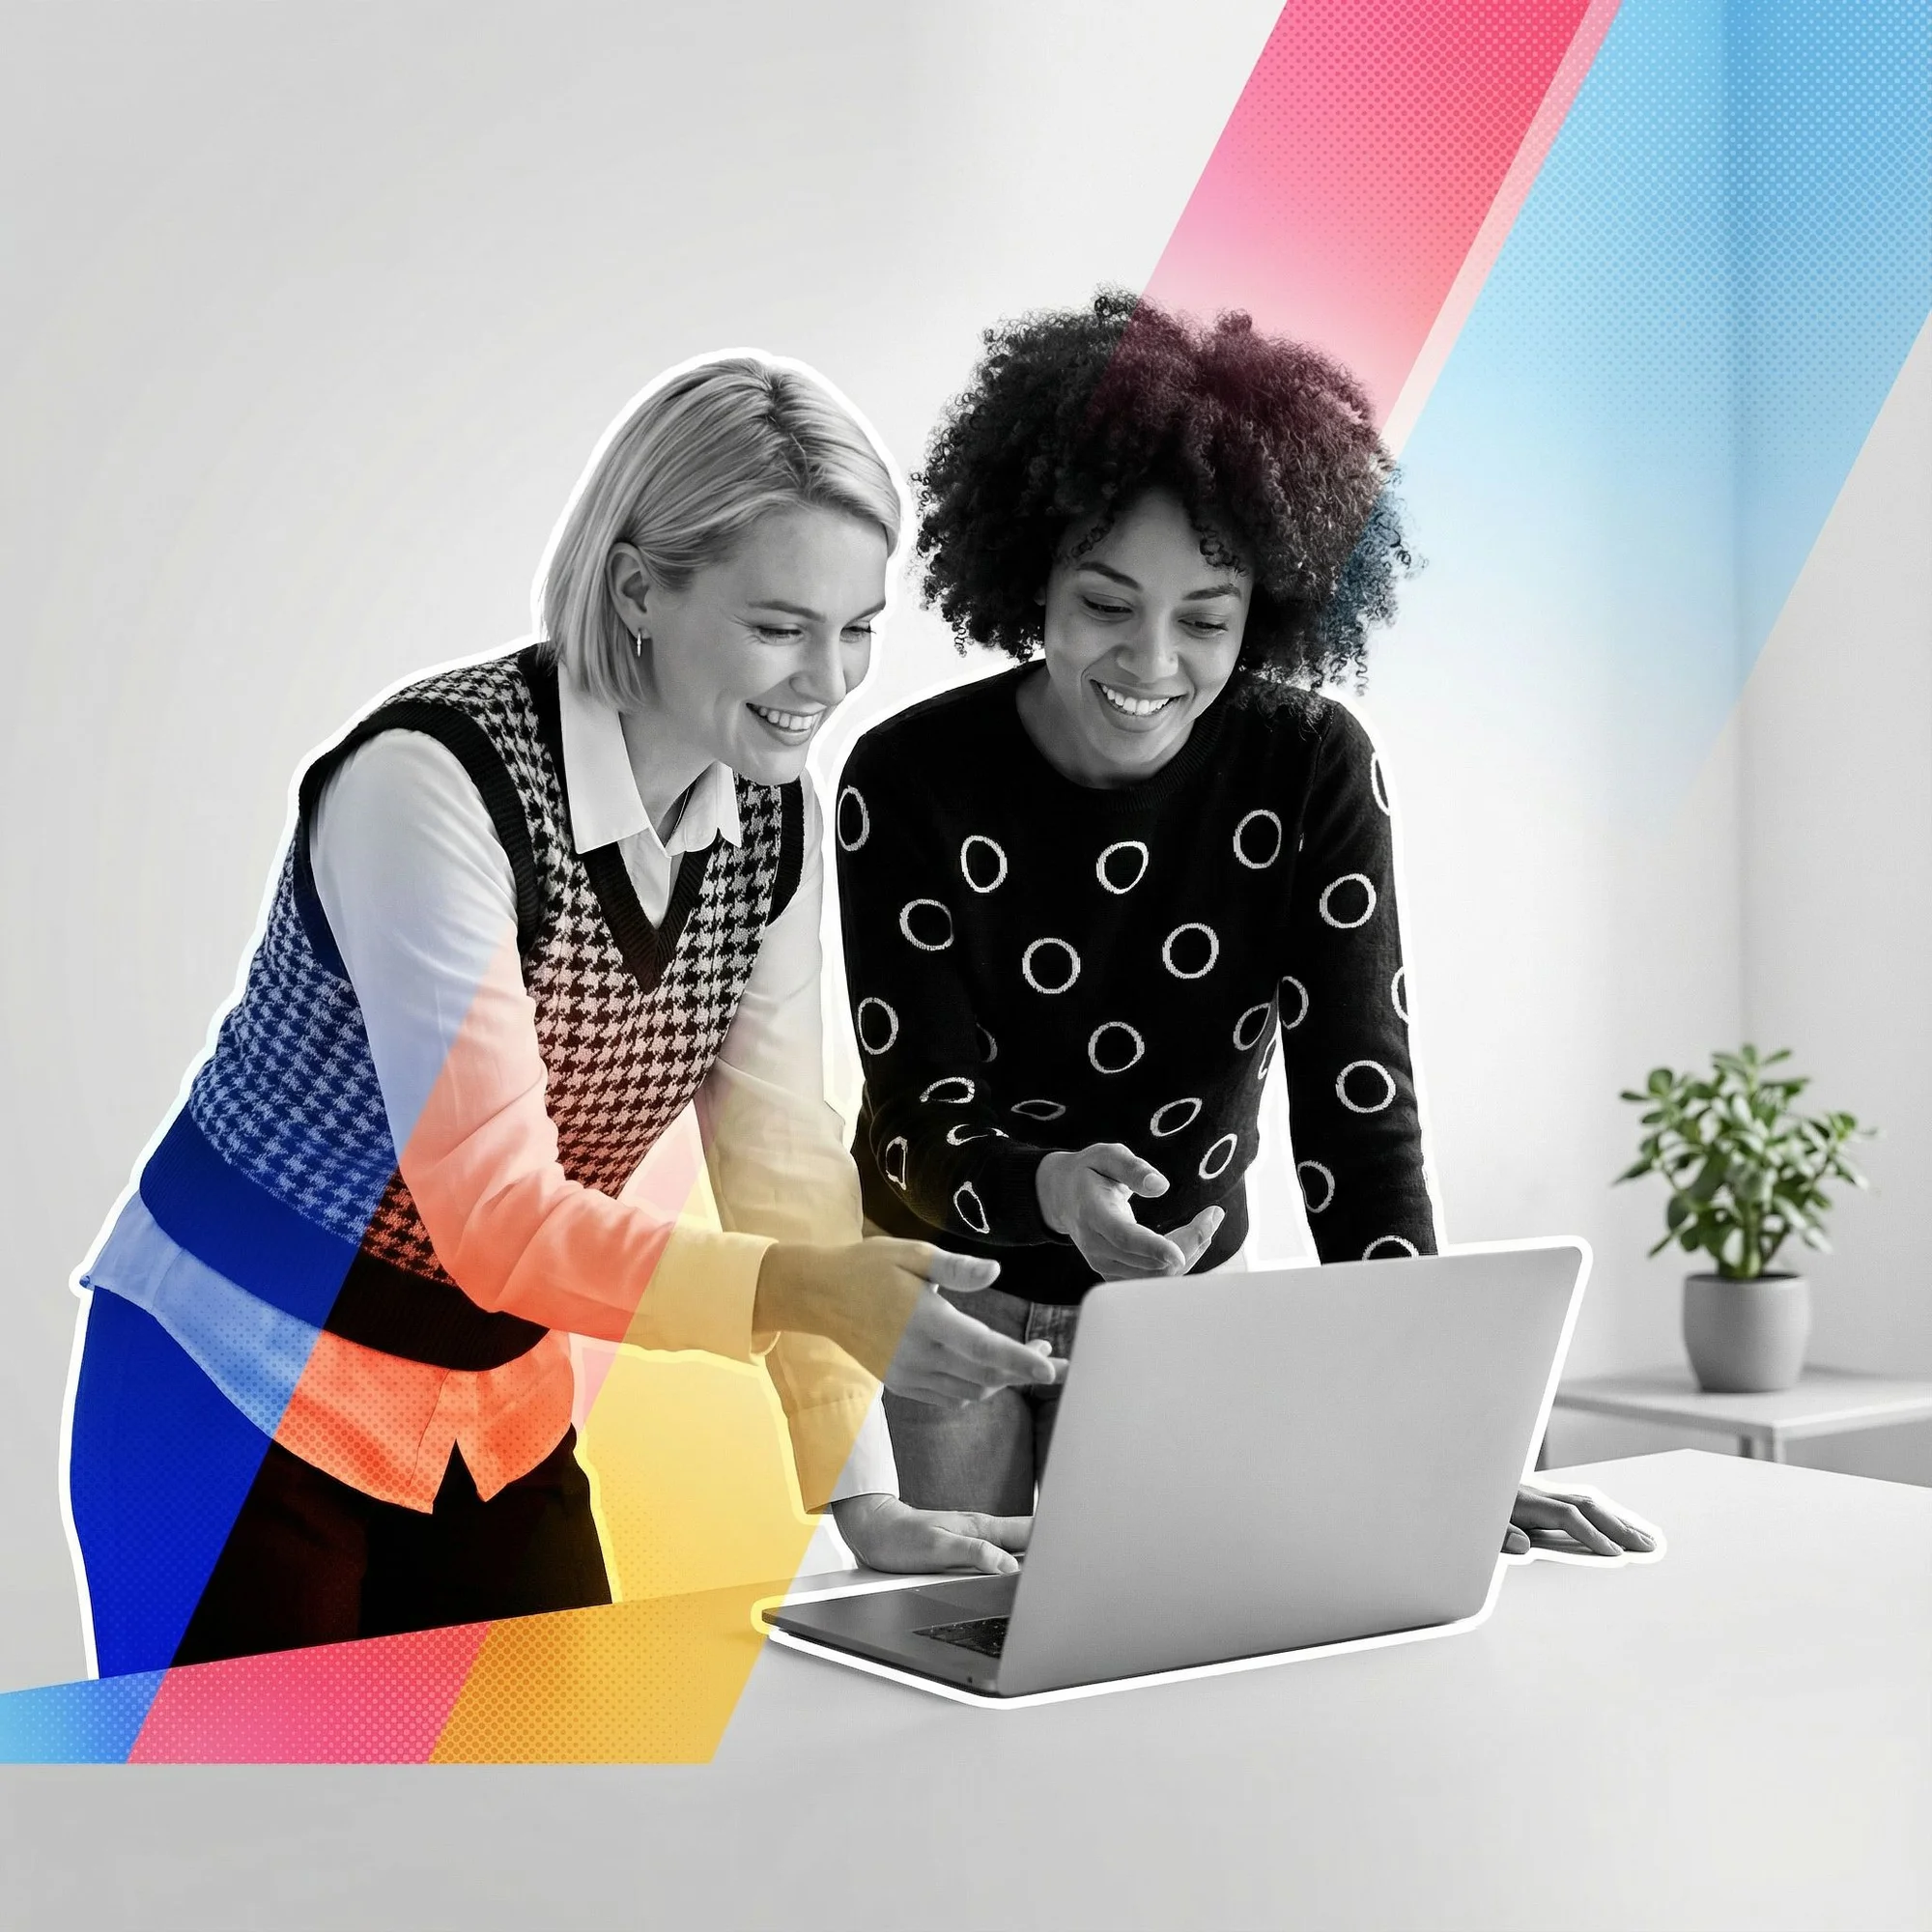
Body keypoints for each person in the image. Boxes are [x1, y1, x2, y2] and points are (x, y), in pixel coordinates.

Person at [63, 354, 1060, 1678]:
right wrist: (805, 1289)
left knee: (553, 1831)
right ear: (641, 589)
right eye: (780, 626)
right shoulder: (431, 787)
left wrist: (859, 1496)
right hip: (235, 1374)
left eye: (859, 627)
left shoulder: (771, 819)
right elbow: (490, 1217)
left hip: (488, 1400)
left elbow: (779, 1162)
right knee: (254, 1863)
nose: (830, 680)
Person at [836, 294, 1652, 1559]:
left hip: (1181, 1315)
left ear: (1261, 609)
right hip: (950, 1302)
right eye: (1106, 603)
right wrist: (1051, 1187)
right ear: (1030, 574)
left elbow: (1358, 1130)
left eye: (1205, 618)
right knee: (954, 1678)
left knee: (1167, 1670)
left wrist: (1455, 1440)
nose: (1151, 660)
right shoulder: (907, 779)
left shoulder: (1310, 767)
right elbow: (908, 1133)